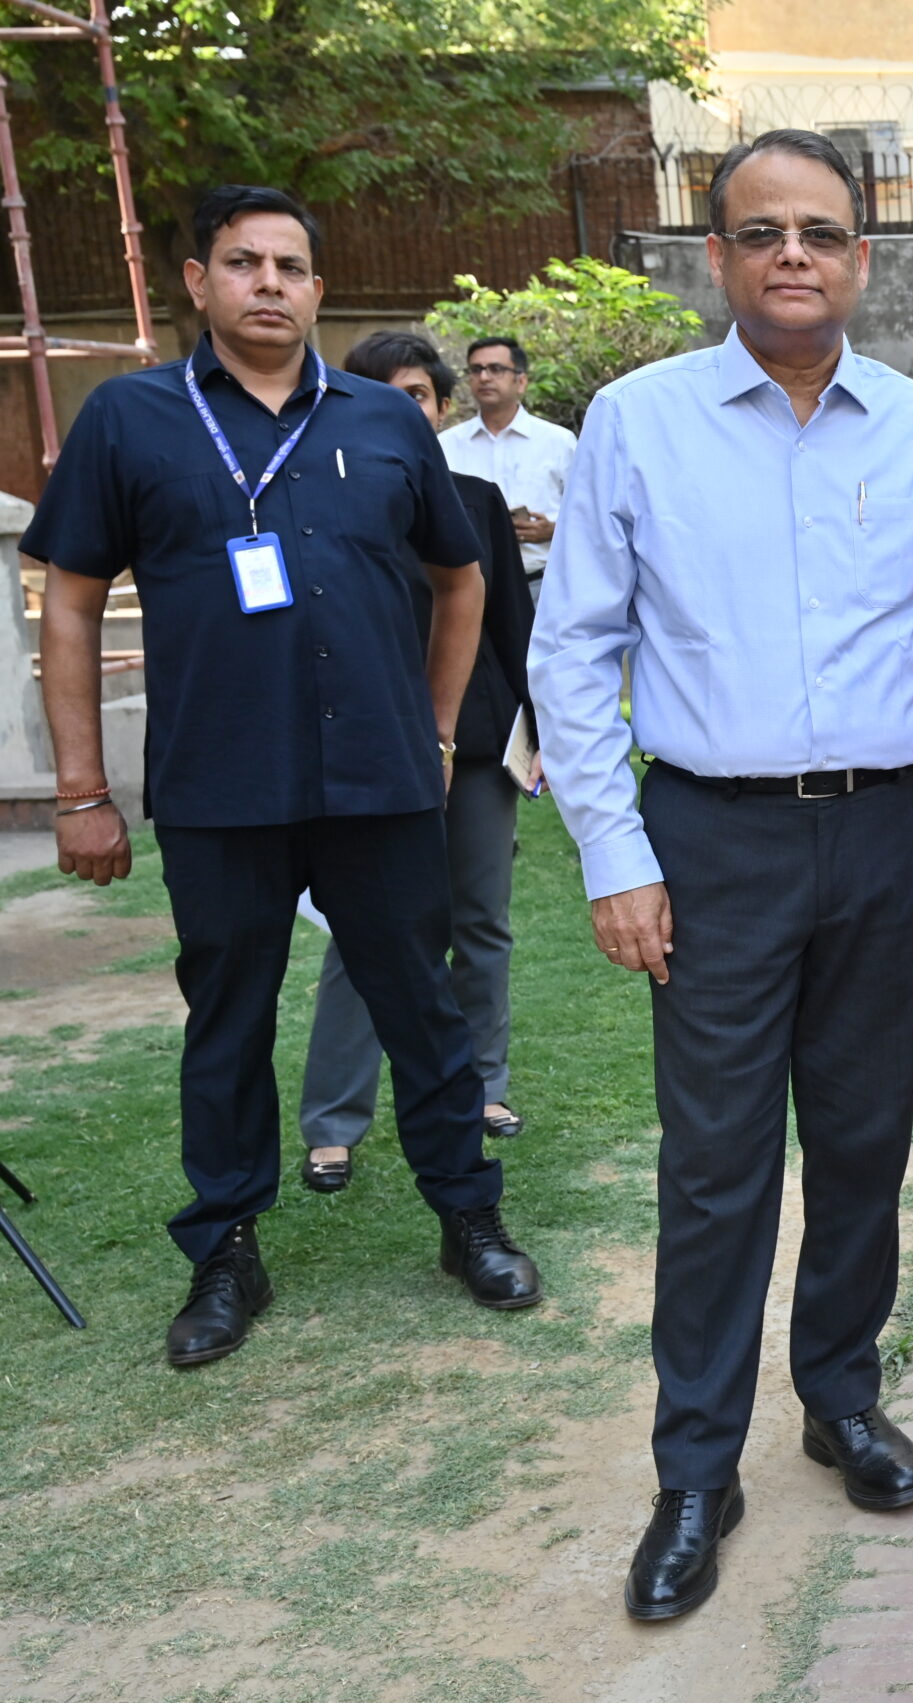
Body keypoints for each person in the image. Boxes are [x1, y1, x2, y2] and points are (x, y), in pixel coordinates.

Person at [529, 128, 913, 1622]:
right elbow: (574, 651)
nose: (791, 254)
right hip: (712, 841)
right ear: (717, 258)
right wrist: (616, 854)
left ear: (861, 257)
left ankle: (842, 1397)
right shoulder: (638, 422)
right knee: (717, 1162)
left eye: (818, 231)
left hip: (889, 830)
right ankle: (696, 1466)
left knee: (865, 1139)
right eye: (760, 232)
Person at [27, 184, 542, 1368]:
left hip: (380, 782)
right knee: (227, 1021)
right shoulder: (131, 419)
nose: (269, 282)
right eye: (242, 261)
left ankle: (469, 1218)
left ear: (317, 288)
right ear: (196, 281)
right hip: (219, 785)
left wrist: (436, 730)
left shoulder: (385, 418)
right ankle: (224, 1250)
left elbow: (459, 578)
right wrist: (80, 789)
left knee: (423, 1009)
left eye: (291, 266)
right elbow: (72, 599)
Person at [296, 329, 541, 1193]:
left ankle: (484, 1085)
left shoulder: (476, 500)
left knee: (481, 922)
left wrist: (536, 733)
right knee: (364, 930)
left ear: (439, 408)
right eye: (387, 394)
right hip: (372, 750)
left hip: (474, 744)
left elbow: (512, 627)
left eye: (421, 396)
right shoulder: (319, 503)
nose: (408, 410)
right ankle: (334, 1120)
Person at [438, 335, 577, 596]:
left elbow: (587, 514)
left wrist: (552, 530)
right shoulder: (446, 444)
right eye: (476, 369)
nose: (484, 377)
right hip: (469, 589)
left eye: (496, 369)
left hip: (542, 584)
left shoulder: (558, 441)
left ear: (521, 381)